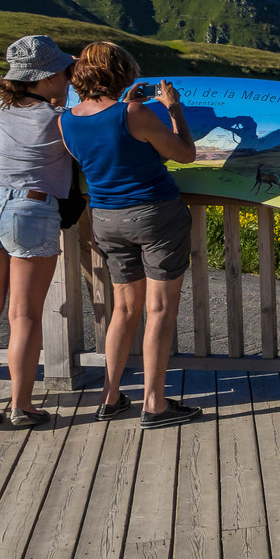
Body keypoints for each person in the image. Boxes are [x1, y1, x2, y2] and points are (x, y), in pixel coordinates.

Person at [59, 42, 201, 429]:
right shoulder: (134, 113)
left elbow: (104, 145)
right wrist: (173, 109)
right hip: (155, 214)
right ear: (121, 72)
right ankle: (154, 405)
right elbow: (185, 153)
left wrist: (124, 105)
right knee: (159, 310)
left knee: (123, 309)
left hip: (105, 217)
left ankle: (110, 397)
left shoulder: (67, 119)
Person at [0, 36, 76, 428]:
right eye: (63, 72)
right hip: (31, 207)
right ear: (44, 78)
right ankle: (21, 405)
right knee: (24, 313)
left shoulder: (0, 111)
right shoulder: (60, 119)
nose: (68, 78)